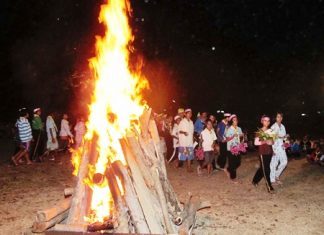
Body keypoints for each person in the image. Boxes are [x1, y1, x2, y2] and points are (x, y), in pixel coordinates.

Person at [252, 115, 275, 193]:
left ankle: (255, 180)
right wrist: (265, 141)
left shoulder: (271, 130)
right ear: (262, 121)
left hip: (269, 152)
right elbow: (255, 142)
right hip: (263, 152)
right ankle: (269, 187)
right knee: (267, 169)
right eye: (265, 120)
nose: (267, 122)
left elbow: (272, 141)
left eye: (268, 120)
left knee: (263, 168)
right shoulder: (259, 131)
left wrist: (271, 142)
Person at [270, 113, 288, 185]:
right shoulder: (273, 127)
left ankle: (276, 175)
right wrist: (272, 149)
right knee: (274, 164)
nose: (279, 118)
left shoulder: (283, 126)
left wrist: (286, 141)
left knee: (284, 162)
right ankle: (272, 180)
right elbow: (270, 139)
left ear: (282, 118)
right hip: (275, 147)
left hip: (282, 147)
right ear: (276, 118)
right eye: (278, 117)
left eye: (280, 117)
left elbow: (284, 137)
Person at [224, 115, 243, 183]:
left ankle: (228, 169)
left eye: (236, 120)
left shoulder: (239, 128)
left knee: (238, 163)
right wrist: (232, 136)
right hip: (231, 148)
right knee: (232, 163)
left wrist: (242, 137)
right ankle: (233, 177)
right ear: (232, 121)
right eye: (234, 120)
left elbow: (241, 136)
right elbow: (226, 139)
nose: (236, 121)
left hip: (237, 147)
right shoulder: (229, 129)